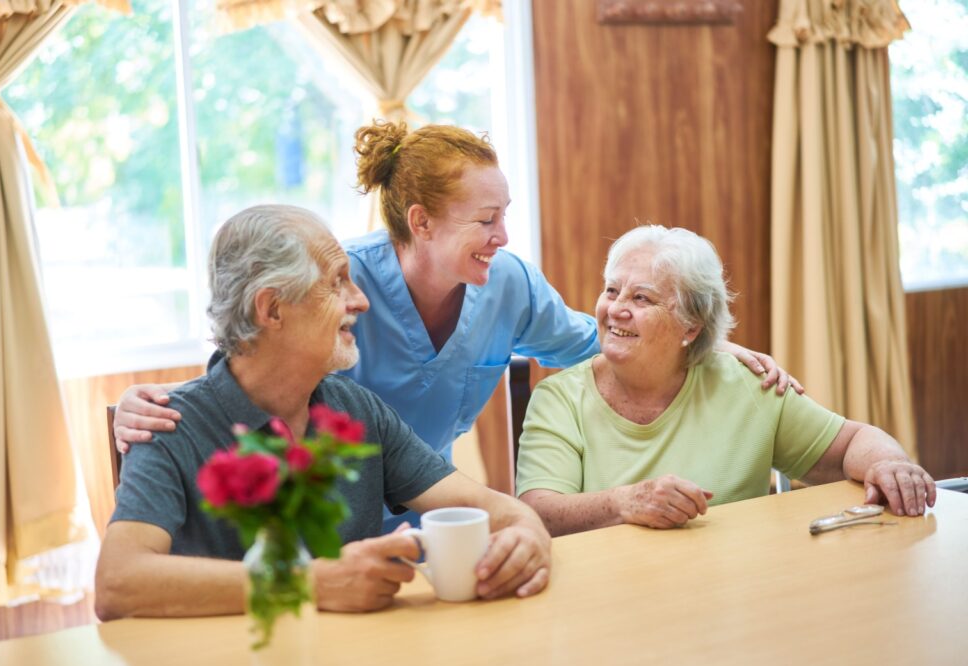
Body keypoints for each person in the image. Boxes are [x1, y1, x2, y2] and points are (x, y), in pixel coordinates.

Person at [111, 122, 799, 532]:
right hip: (328, 523)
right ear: (422, 222)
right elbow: (253, 365)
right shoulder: (342, 285)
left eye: (506, 215)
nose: (504, 235)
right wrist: (152, 406)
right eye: (486, 220)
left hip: (438, 516)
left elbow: (611, 335)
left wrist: (711, 340)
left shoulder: (508, 285)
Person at [94, 205, 551, 621]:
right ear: (272, 309)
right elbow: (117, 583)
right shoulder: (168, 424)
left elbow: (496, 510)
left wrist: (527, 535)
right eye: (337, 282)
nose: (361, 301)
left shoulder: (356, 409)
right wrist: (314, 582)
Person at [515, 225, 936, 536]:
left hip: (735, 602)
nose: (615, 309)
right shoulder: (560, 398)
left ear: (690, 327)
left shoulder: (746, 385)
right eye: (611, 290)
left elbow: (850, 444)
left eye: (641, 297)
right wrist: (625, 502)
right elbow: (540, 511)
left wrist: (888, 463)